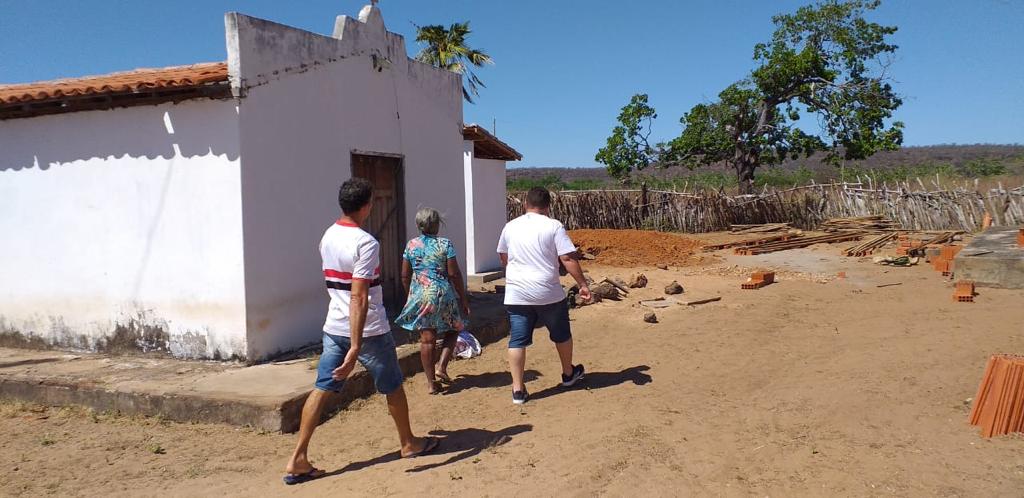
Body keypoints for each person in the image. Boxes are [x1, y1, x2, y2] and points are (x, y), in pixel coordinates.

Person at [283, 178, 438, 485]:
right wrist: (355, 346)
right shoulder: (366, 243)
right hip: (368, 331)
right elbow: (359, 295)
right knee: (393, 385)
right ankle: (408, 443)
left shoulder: (327, 236)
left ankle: (298, 457)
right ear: (367, 205)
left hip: (333, 326)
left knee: (322, 387)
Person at [497, 187, 591, 405]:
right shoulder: (553, 226)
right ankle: (568, 374)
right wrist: (583, 284)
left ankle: (518, 390)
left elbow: (504, 256)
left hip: (517, 293)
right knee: (561, 334)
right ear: (548, 206)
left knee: (517, 340)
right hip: (548, 291)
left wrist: (517, 273)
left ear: (524, 203)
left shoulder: (510, 227)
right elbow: (567, 258)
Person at [395, 208, 470, 395]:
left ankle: (431, 383)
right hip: (443, 294)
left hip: (421, 294)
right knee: (454, 328)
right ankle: (442, 366)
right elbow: (453, 273)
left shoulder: (411, 245)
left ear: (418, 225)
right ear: (437, 225)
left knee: (427, 340)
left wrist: (411, 296)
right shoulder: (445, 244)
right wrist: (463, 297)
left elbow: (405, 275)